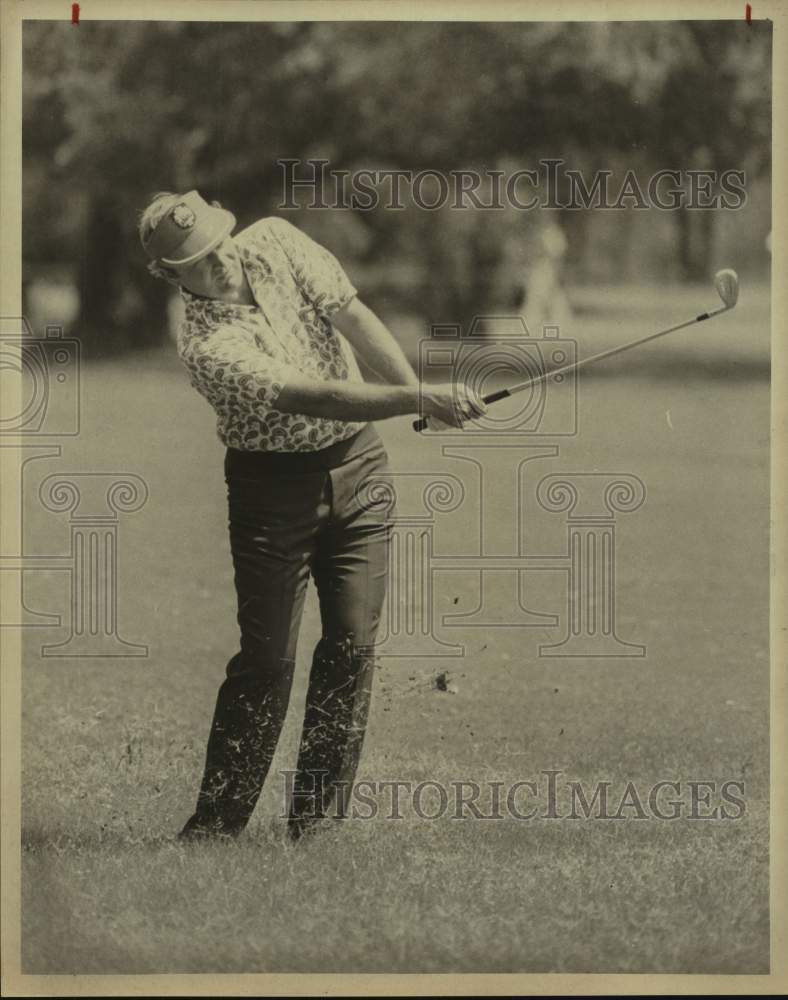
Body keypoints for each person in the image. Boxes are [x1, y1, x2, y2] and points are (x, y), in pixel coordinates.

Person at [138, 189, 486, 841]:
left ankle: (317, 822)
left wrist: (414, 394)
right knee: (268, 658)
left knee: (352, 644)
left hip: (361, 472)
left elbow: (351, 316)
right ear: (170, 273)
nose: (215, 262)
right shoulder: (207, 346)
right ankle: (215, 825)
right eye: (194, 261)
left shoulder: (276, 240)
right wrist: (416, 396)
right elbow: (315, 396)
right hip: (273, 493)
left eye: (215, 245)